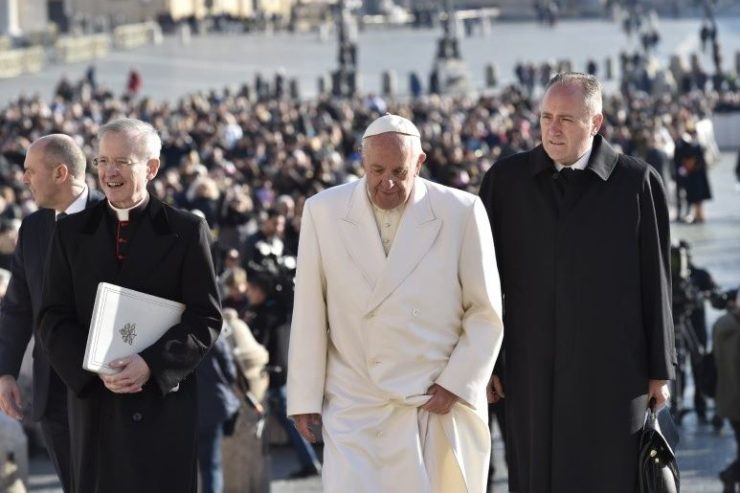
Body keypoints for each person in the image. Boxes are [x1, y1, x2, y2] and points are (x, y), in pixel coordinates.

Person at [479, 73, 675, 493]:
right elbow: (483, 281)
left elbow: (656, 282)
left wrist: (660, 371)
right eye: (546, 117)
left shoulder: (637, 182)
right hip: (530, 369)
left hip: (615, 371)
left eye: (566, 119)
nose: (552, 129)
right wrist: (488, 362)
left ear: (595, 123)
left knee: (609, 475)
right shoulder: (505, 181)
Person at [287, 114, 504, 493]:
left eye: (399, 172)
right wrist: (304, 397)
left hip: (433, 398)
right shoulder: (323, 210)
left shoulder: (461, 210)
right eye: (377, 170)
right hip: (356, 401)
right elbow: (309, 311)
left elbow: (485, 311)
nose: (387, 182)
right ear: (362, 161)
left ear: (419, 163)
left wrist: (456, 384)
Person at [36, 118, 222, 493]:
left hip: (161, 409)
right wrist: (96, 368)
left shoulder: (185, 230)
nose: (109, 172)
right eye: (103, 161)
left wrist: (152, 364)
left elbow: (205, 318)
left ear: (151, 168)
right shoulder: (71, 232)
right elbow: (52, 317)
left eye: (122, 162)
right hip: (96, 406)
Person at [0, 134, 102, 492]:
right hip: (53, 392)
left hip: (107, 389)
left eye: (31, 170)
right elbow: (17, 307)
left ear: (61, 173)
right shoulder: (33, 228)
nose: (24, 179)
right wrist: (5, 371)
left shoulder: (115, 217)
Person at [196, 332, 240, 493]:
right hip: (213, 405)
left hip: (188, 409)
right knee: (211, 464)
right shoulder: (213, 334)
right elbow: (230, 371)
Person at [713, 288, 740, 493]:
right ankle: (730, 475)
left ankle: (730, 476)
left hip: (729, 400)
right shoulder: (733, 330)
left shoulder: (723, 325)